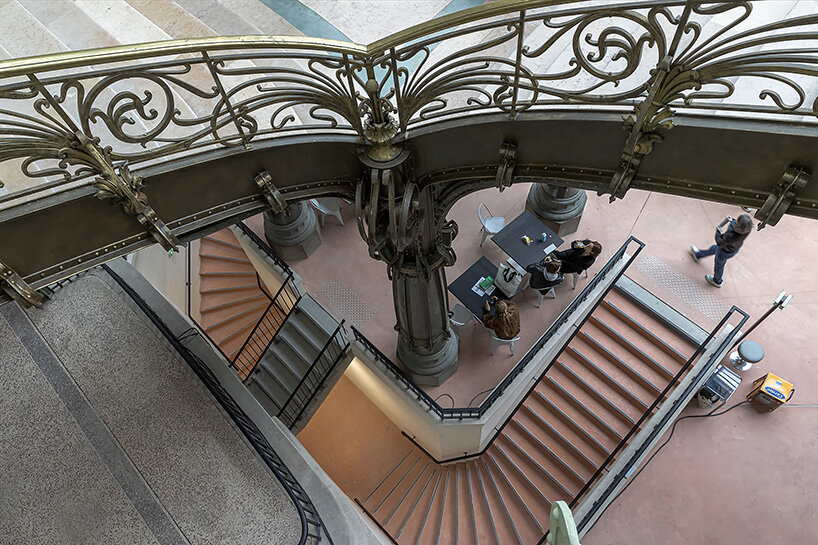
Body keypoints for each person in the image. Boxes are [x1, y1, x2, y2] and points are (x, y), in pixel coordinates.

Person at [690, 213, 753, 288]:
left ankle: (717, 281)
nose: (735, 222)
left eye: (736, 222)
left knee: (719, 265)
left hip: (724, 251)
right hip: (732, 249)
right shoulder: (747, 230)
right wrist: (732, 220)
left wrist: (718, 231)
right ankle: (698, 255)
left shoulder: (731, 236)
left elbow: (720, 242)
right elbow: (737, 225)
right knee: (713, 248)